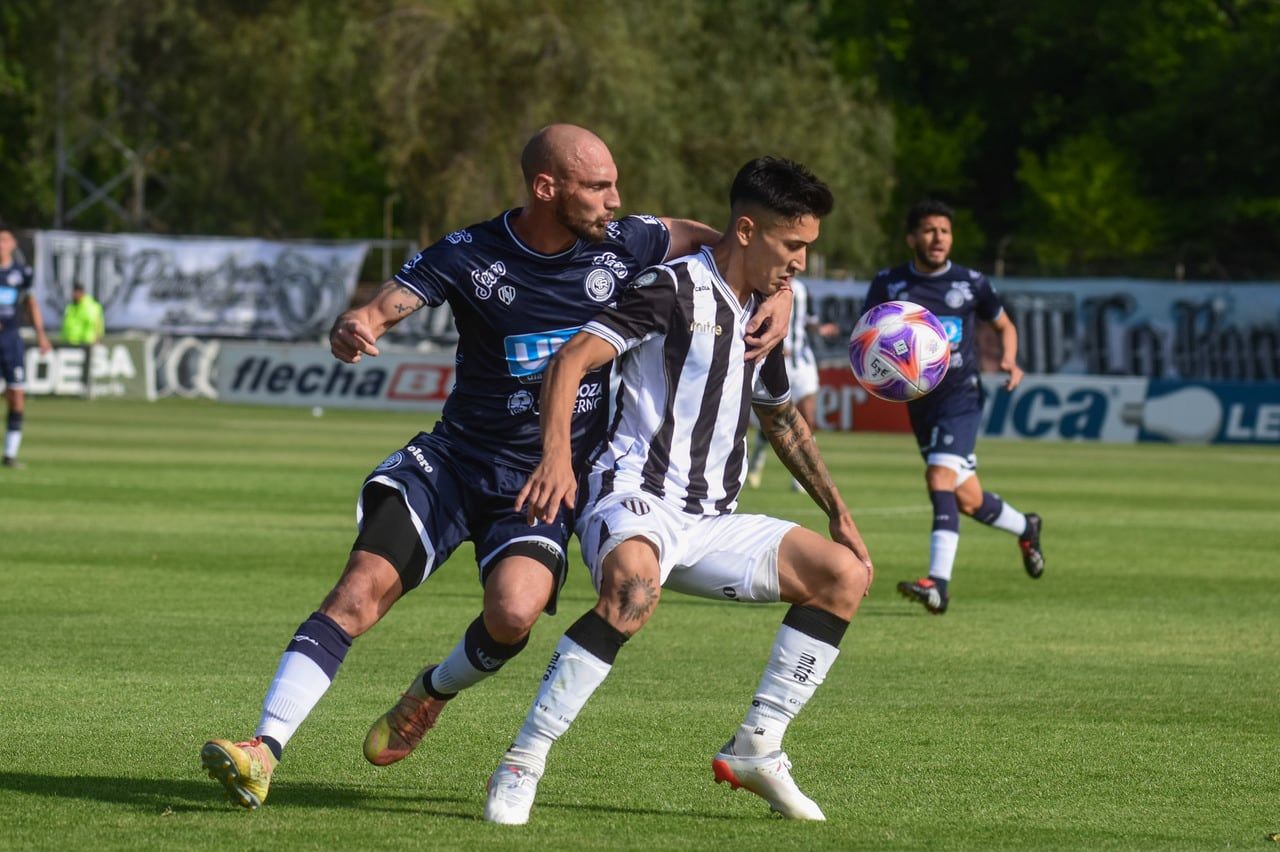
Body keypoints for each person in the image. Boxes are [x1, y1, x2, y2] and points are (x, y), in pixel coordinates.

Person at [199, 125, 794, 810]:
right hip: (453, 462)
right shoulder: (472, 253)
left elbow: (714, 240)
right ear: (548, 188)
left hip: (543, 483)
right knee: (359, 593)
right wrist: (358, 323)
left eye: (613, 183)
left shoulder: (626, 242)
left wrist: (778, 294)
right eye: (598, 186)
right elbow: (389, 303)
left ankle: (432, 691)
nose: (615, 199)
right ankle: (262, 749)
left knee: (514, 613)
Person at [484, 156, 873, 826]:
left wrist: (838, 512)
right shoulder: (671, 289)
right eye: (793, 245)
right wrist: (557, 460)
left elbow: (778, 414)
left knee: (844, 575)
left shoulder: (764, 316)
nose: (802, 263)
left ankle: (758, 747)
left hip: (712, 517)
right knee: (634, 589)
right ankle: (523, 760)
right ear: (748, 231)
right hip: (633, 494)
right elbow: (573, 359)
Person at [863, 199, 1044, 615]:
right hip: (921, 405)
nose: (938, 237)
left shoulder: (971, 282)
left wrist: (1010, 359)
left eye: (944, 230)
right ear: (912, 238)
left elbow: (1004, 325)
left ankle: (938, 585)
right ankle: (1026, 526)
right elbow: (867, 335)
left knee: (939, 478)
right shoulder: (889, 284)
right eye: (928, 230)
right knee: (969, 499)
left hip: (961, 399)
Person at [746, 276, 839, 490]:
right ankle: (757, 462)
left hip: (803, 362)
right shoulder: (765, 287)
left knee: (808, 418)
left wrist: (821, 329)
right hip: (778, 361)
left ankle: (802, 477)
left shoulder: (802, 290)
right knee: (776, 420)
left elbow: (809, 319)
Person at [0, 226, 52, 469]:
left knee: (17, 397)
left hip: (12, 340)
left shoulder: (22, 273)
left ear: (13, 245)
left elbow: (32, 304)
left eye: (6, 240)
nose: (2, 244)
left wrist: (41, 335)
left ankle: (10, 454)